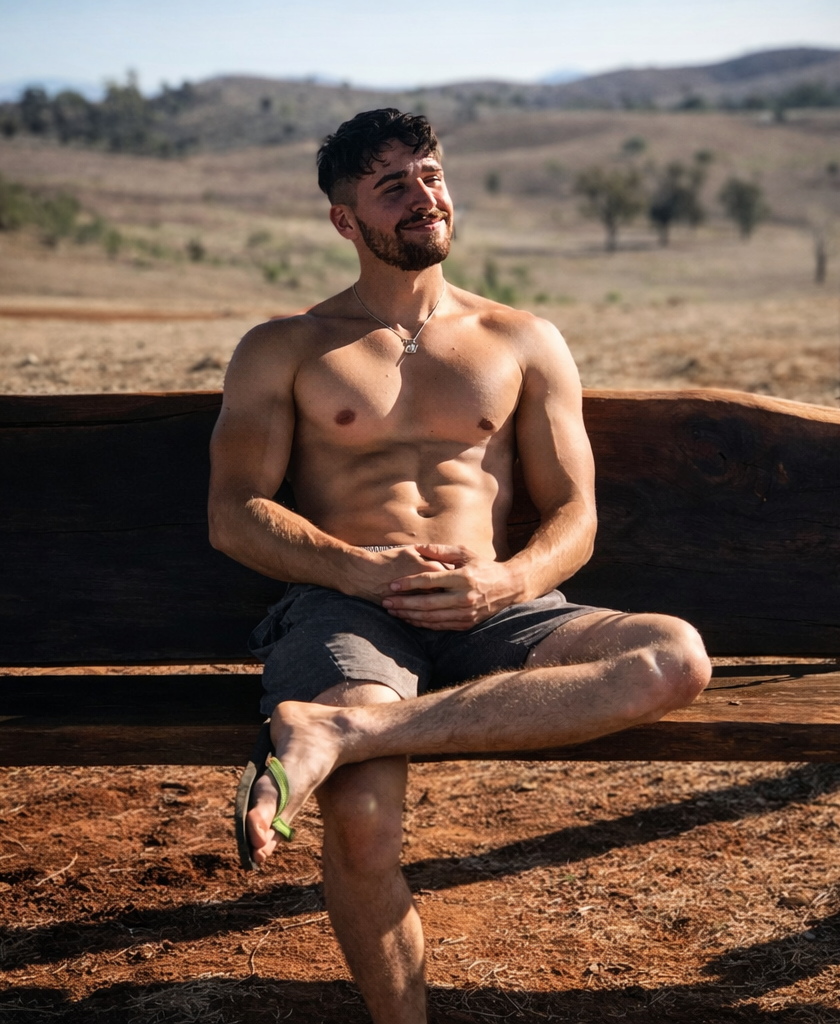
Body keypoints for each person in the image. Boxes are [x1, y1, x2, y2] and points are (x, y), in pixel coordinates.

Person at [208, 108, 711, 1024]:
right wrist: (357, 570)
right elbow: (234, 513)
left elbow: (575, 515)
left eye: (430, 175)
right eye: (391, 186)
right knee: (361, 822)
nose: (423, 197)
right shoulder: (285, 347)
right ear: (344, 220)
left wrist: (506, 581)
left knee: (674, 658)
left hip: (498, 604)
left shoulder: (522, 338)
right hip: (349, 611)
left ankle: (338, 732)